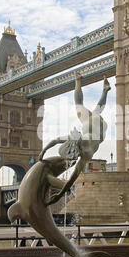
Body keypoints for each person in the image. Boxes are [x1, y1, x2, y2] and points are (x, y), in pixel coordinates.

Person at [39, 72, 111, 205]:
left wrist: (59, 195)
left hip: (99, 130)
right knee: (81, 105)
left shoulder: (86, 155)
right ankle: (79, 81)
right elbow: (55, 141)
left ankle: (104, 90)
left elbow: (72, 179)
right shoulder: (75, 140)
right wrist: (42, 152)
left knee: (95, 111)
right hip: (91, 126)